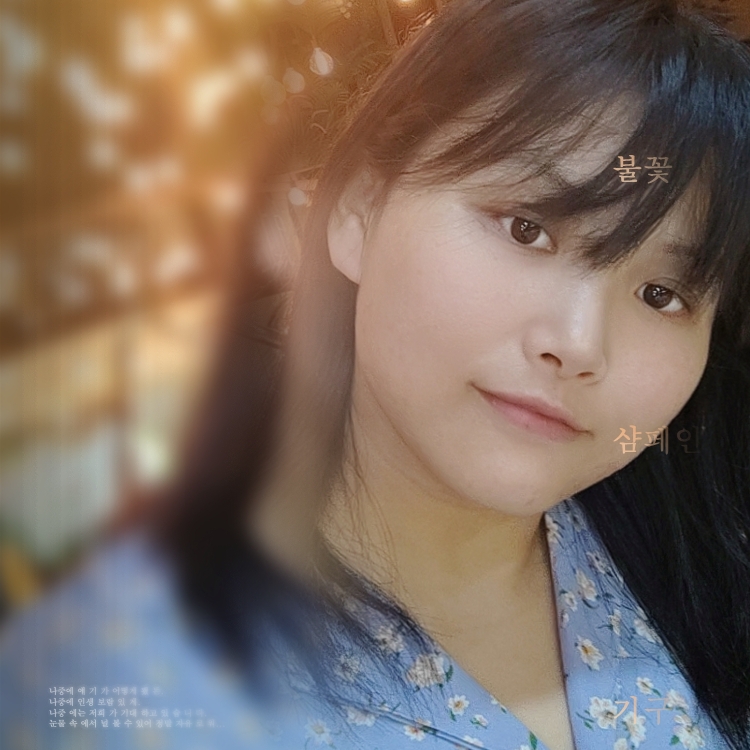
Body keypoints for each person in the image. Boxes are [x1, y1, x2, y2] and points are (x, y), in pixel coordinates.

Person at [3, 0, 750, 748]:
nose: (580, 344)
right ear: (359, 207)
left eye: (662, 294)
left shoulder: (690, 561)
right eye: (528, 229)